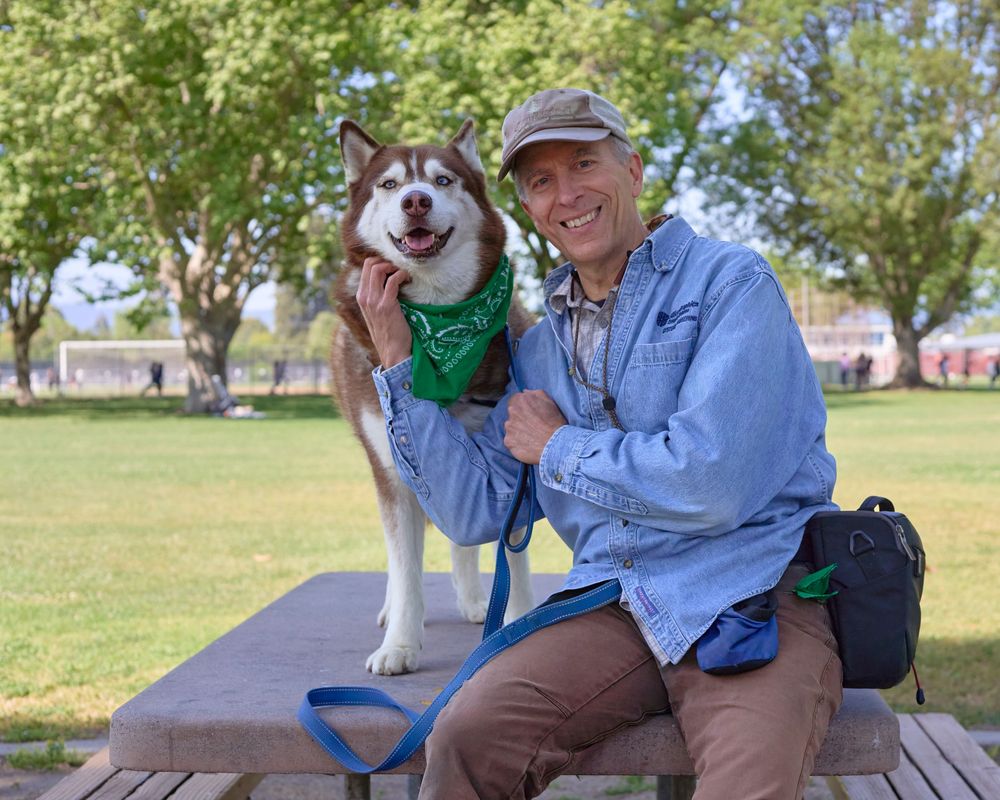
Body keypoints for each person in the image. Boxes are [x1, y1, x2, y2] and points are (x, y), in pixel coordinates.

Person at [356, 88, 841, 800]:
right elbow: (473, 511)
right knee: (465, 738)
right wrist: (400, 363)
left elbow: (709, 484)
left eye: (584, 164)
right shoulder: (540, 348)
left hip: (755, 591)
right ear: (528, 208)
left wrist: (557, 447)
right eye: (541, 181)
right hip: (614, 602)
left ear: (633, 171)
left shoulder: (732, 284)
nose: (567, 195)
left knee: (748, 787)